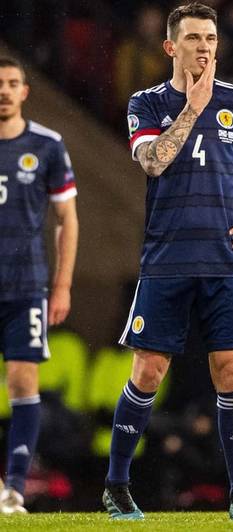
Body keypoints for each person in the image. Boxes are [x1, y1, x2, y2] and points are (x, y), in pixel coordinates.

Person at [103, 3, 233, 522]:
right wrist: (192, 109)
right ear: (171, 47)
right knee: (149, 371)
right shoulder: (146, 103)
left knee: (231, 371)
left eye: (210, 38)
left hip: (226, 262)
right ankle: (116, 486)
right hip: (167, 259)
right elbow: (152, 162)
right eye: (192, 38)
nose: (204, 47)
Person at [0, 57, 79, 514]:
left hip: (26, 285)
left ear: (25, 91)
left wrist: (62, 285)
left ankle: (14, 488)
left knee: (22, 379)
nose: (5, 91)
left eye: (13, 83)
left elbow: (67, 218)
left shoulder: (47, 145)